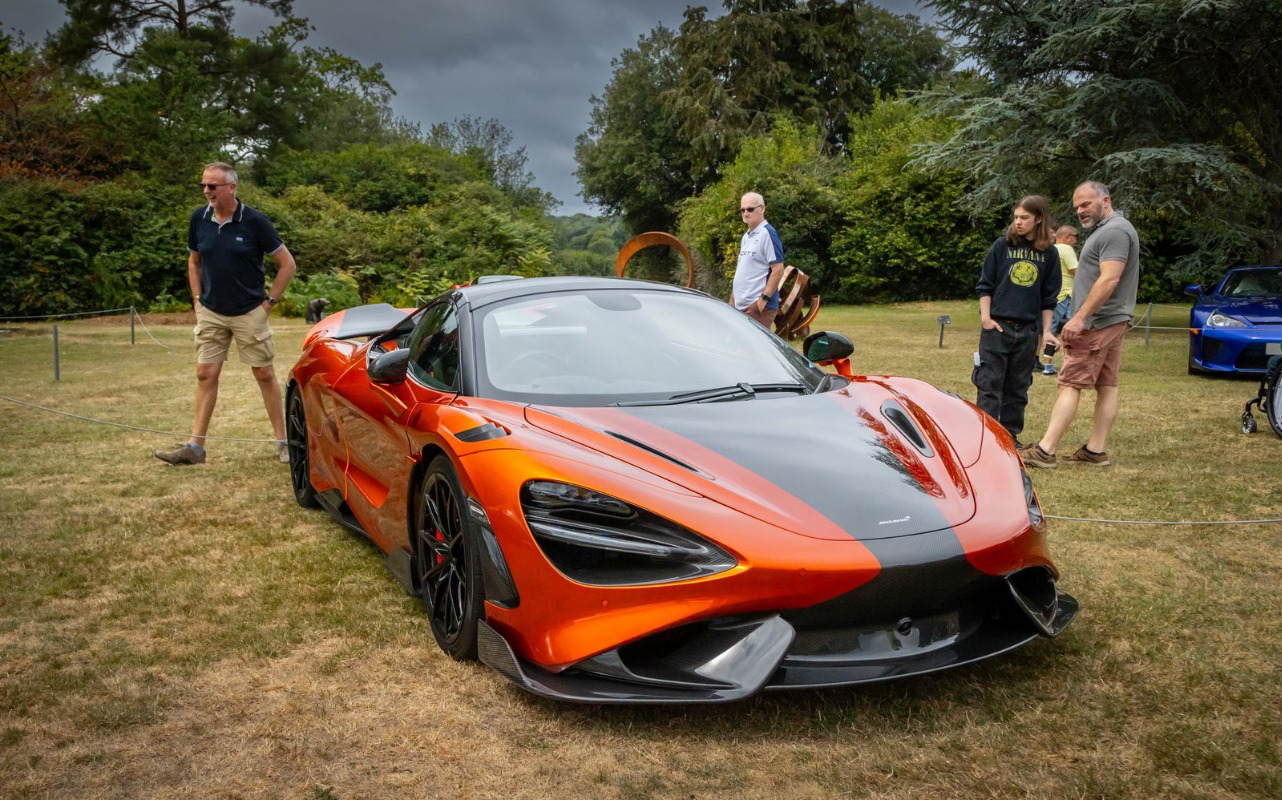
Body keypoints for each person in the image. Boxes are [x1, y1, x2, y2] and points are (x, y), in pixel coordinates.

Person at [155, 162, 297, 466]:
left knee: (264, 374)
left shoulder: (255, 221)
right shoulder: (198, 218)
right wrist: (197, 301)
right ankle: (195, 448)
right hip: (211, 311)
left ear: (231, 188)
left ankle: (284, 443)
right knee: (205, 373)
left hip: (250, 311)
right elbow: (194, 261)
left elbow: (287, 264)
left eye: (213, 186)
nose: (206, 191)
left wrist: (268, 304)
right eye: (204, 185)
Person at [1019, 181, 1141, 468]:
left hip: (1097, 322)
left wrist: (1080, 317)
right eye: (1077, 207)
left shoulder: (1114, 231)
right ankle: (1094, 451)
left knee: (1070, 383)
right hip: (1112, 320)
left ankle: (1045, 451)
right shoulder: (1111, 229)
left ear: (1105, 200)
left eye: (1086, 204)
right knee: (1107, 384)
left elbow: (1109, 278)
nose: (1080, 211)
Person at [973, 195, 1062, 445]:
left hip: (1027, 331)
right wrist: (986, 319)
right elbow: (985, 285)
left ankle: (1009, 437)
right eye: (1016, 217)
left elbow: (1048, 299)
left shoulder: (1049, 253)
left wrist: (1046, 332)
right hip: (997, 328)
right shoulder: (1002, 246)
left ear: (1039, 219)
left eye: (1024, 217)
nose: (1018, 222)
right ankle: (988, 438)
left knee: (1018, 388)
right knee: (989, 385)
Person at [731, 192, 785, 328]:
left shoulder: (768, 234)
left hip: (758, 307)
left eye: (750, 209)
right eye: (742, 210)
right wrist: (732, 301)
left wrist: (762, 301)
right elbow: (742, 271)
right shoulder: (746, 237)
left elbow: (778, 270)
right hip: (740, 306)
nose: (745, 213)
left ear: (762, 208)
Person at [1039, 224, 1079, 375]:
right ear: (1067, 237)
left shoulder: (1051, 250)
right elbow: (1075, 270)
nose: (1075, 241)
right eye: (1075, 237)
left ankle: (1048, 366)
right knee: (1074, 329)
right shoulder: (1066, 249)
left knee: (1051, 330)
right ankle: (1072, 364)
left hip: (1054, 296)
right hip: (1067, 295)